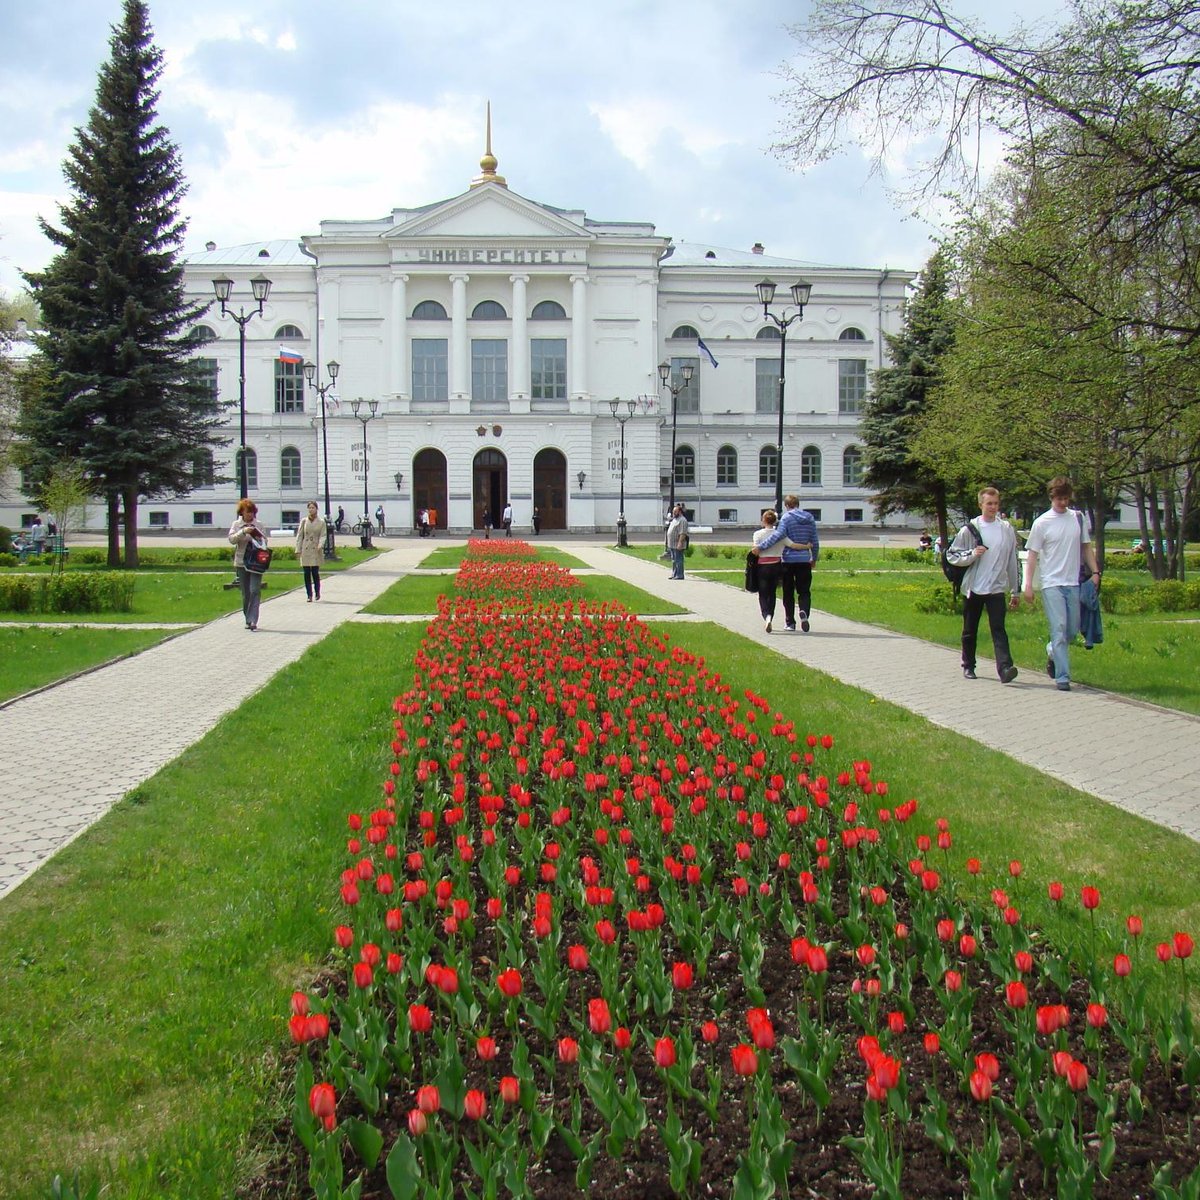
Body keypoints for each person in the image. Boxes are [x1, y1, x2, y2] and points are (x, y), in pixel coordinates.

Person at [1022, 476, 1101, 692]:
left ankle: (1051, 651)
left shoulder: (1077, 518)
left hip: (1072, 582)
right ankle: (1063, 677)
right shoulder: (1042, 523)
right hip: (1051, 583)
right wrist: (1027, 585)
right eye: (1059, 499)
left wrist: (1095, 572)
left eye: (1066, 498)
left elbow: (1086, 547)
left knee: (1073, 629)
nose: (1063, 503)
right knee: (1059, 628)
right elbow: (1032, 556)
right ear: (1052, 497)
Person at [946, 487, 1020, 682]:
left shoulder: (1006, 529)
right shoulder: (970, 529)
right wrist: (972, 554)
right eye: (989, 504)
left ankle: (1005, 668)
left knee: (998, 628)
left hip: (996, 587)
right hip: (974, 587)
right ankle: (968, 665)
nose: (993, 507)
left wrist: (1015, 590)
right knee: (970, 629)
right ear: (981, 505)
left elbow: (1012, 560)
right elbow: (952, 555)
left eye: (996, 503)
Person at [753, 494, 819, 631]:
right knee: (804, 591)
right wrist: (814, 558)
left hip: (788, 560)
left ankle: (790, 622)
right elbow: (815, 541)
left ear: (787, 505)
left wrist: (761, 547)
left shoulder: (787, 518)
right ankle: (804, 612)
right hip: (804, 560)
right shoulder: (810, 518)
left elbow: (778, 535)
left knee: (788, 592)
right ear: (798, 504)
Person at [228, 498, 269, 631]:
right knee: (246, 593)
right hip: (242, 562)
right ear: (242, 512)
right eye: (247, 512)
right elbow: (232, 540)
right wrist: (243, 532)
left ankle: (253, 620)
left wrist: (256, 534)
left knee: (254, 590)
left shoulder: (259, 524)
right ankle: (247, 617)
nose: (250, 515)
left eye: (252, 512)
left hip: (256, 563)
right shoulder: (236, 524)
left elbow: (265, 541)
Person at [751, 510, 784, 632]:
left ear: (763, 520)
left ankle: (767, 616)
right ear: (775, 521)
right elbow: (790, 545)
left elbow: (755, 550)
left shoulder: (758, 534)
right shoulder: (779, 534)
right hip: (776, 565)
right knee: (772, 593)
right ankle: (771, 615)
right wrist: (807, 546)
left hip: (763, 567)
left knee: (763, 594)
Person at [295, 500, 326, 602]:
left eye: (313, 507)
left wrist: (320, 545)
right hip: (306, 548)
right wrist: (298, 549)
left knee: (315, 573)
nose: (311, 509)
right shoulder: (304, 521)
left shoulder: (321, 522)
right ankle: (309, 594)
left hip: (315, 548)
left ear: (316, 509)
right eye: (310, 508)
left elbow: (323, 535)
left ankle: (317, 592)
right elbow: (300, 536)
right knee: (306, 573)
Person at [666, 503, 688, 579]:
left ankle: (679, 575)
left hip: (678, 544)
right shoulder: (675, 519)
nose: (673, 513)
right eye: (673, 512)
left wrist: (680, 543)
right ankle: (674, 574)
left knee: (678, 560)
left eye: (675, 512)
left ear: (680, 512)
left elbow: (682, 533)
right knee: (674, 560)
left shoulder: (682, 520)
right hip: (672, 544)